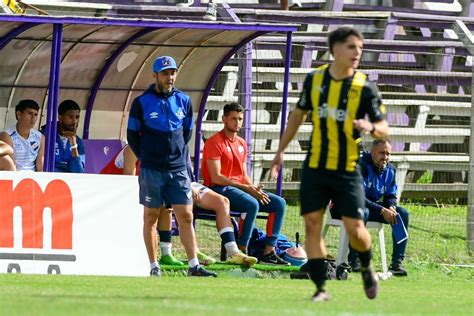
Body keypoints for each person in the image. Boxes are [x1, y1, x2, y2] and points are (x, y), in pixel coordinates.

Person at [270, 27, 389, 302]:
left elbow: (383, 127)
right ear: (335, 50)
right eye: (351, 47)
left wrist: (369, 125)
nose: (357, 52)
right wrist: (280, 151)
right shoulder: (315, 80)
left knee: (356, 230)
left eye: (360, 47)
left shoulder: (364, 87)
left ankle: (367, 266)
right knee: (312, 223)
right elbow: (298, 115)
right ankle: (321, 288)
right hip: (315, 166)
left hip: (347, 169)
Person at [127, 55, 216, 277]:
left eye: (173, 73)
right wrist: (147, 157)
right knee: (151, 217)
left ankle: (193, 265)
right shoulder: (141, 102)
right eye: (165, 73)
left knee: (186, 215)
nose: (170, 77)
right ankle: (153, 266)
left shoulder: (184, 101)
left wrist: (175, 155)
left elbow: (187, 132)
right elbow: (132, 136)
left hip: (177, 168)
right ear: (155, 75)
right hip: (151, 169)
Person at [202, 102, 290, 266]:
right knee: (251, 204)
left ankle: (268, 253)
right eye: (233, 118)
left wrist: (253, 188)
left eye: (240, 119)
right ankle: (242, 251)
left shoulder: (241, 143)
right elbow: (216, 177)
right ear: (224, 119)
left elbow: (242, 174)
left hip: (239, 188)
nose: (237, 122)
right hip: (220, 189)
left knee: (279, 203)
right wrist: (246, 188)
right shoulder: (214, 142)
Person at [348, 139, 409, 277]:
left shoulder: (390, 170)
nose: (385, 157)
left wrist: (392, 207)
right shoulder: (360, 165)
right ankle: (354, 260)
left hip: (370, 208)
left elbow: (390, 195)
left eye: (388, 154)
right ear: (372, 152)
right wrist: (382, 210)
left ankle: (396, 264)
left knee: (402, 213)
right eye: (382, 153)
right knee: (362, 212)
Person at [42, 99, 85, 173]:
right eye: (70, 117)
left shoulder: (78, 141)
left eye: (77, 117)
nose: (74, 121)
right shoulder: (45, 135)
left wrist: (74, 145)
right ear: (60, 118)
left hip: (70, 182)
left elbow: (78, 172)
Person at [0, 99, 45, 171]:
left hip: (34, 179)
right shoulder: (7, 135)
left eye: (35, 114)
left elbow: (41, 168)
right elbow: (10, 166)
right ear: (19, 114)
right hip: (15, 178)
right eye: (30, 113)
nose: (33, 118)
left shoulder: (40, 137)